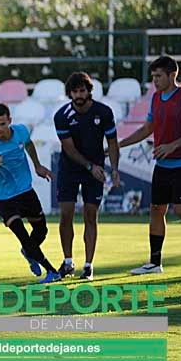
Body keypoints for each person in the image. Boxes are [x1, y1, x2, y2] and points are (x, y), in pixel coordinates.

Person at [0, 103, 61, 284]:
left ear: (10, 121)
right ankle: (52, 271)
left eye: (2, 124)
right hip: (0, 196)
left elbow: (28, 144)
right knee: (21, 233)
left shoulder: (21, 131)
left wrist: (37, 166)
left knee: (41, 230)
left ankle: (29, 252)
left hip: (24, 190)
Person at [119, 55, 181, 274]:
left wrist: (172, 145)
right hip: (162, 167)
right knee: (157, 210)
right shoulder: (156, 98)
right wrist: (120, 144)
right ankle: (155, 263)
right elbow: (148, 128)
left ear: (172, 74)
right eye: (153, 77)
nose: (155, 81)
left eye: (159, 76)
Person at [53, 72, 120, 280]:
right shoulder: (62, 116)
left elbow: (112, 143)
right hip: (70, 169)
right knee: (66, 216)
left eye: (82, 90)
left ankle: (88, 266)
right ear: (69, 93)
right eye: (75, 91)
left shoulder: (104, 112)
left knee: (91, 216)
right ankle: (68, 262)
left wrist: (115, 169)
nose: (79, 95)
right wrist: (91, 167)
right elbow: (70, 150)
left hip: (95, 171)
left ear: (89, 91)